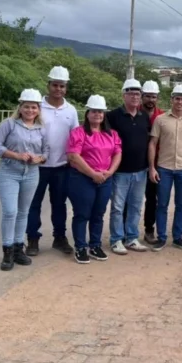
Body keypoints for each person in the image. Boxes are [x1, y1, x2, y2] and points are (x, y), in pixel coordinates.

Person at [0, 89, 49, 271]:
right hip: (9, 172)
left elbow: (46, 150)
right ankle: (7, 251)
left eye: (34, 107)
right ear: (20, 107)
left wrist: (40, 158)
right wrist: (16, 155)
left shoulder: (42, 128)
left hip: (31, 173)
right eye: (26, 107)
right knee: (10, 211)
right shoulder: (9, 124)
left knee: (24, 212)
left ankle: (18, 248)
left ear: (38, 109)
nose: (30, 110)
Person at [26, 66, 79, 257]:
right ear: (48, 85)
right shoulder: (37, 106)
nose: (58, 89)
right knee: (34, 204)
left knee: (59, 204)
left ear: (66, 88)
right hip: (37, 166)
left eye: (62, 86)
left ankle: (60, 238)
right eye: (55, 85)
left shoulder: (70, 110)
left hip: (62, 166)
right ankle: (32, 239)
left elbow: (76, 137)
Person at [67, 95, 121, 264]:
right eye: (94, 111)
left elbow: (117, 153)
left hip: (105, 178)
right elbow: (73, 156)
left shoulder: (111, 134)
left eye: (100, 111)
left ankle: (95, 245)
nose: (97, 114)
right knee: (82, 213)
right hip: (82, 178)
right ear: (88, 113)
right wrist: (92, 174)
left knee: (98, 213)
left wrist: (110, 172)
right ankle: (80, 247)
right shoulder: (78, 132)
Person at [148, 84, 182, 252]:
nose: (180, 102)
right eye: (177, 99)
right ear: (172, 100)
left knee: (181, 204)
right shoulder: (160, 120)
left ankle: (178, 237)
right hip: (164, 168)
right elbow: (152, 143)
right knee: (162, 204)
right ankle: (161, 237)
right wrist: (152, 167)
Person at [107, 79, 151, 254]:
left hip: (141, 170)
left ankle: (132, 238)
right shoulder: (112, 116)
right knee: (118, 208)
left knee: (135, 206)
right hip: (120, 171)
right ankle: (116, 239)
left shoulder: (144, 116)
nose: (134, 96)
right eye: (131, 93)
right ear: (123, 95)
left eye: (137, 93)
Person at [140, 80, 164, 244]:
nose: (150, 100)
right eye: (147, 96)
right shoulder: (135, 113)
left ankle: (149, 230)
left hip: (155, 165)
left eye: (153, 97)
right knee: (129, 200)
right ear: (142, 96)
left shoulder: (161, 117)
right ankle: (126, 232)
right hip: (134, 164)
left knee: (152, 199)